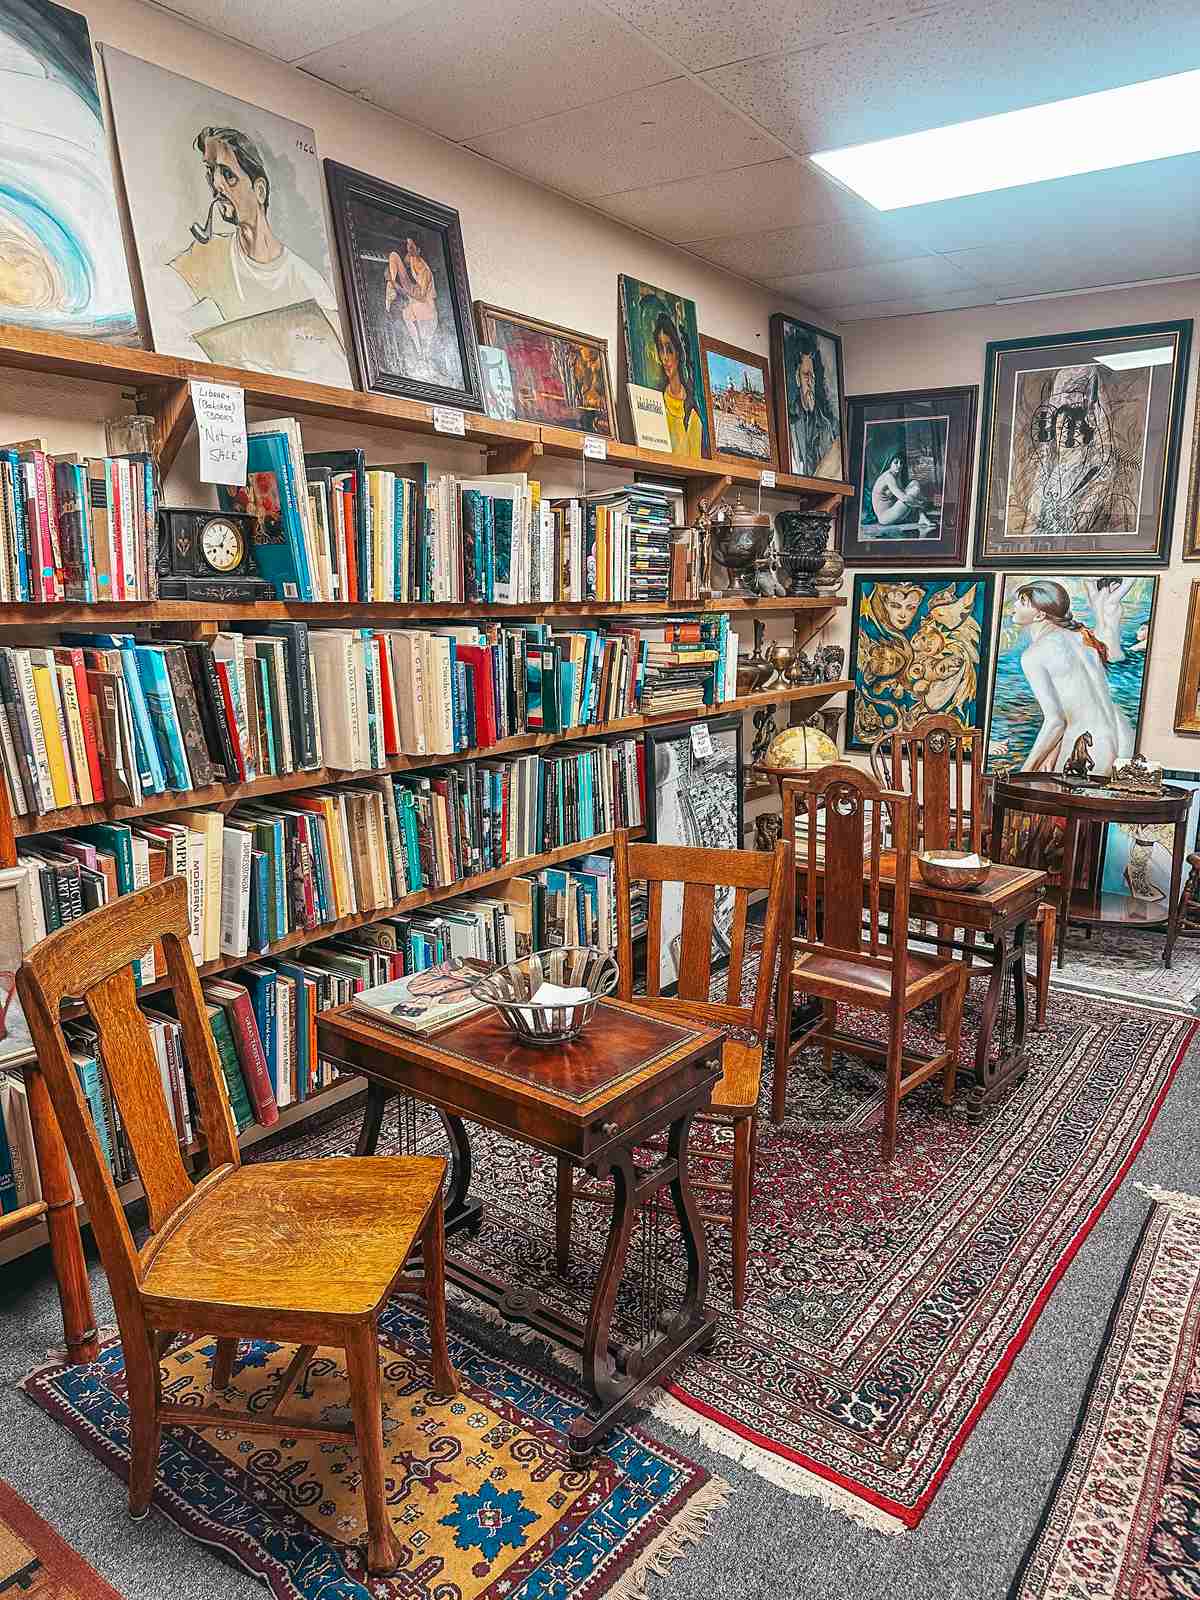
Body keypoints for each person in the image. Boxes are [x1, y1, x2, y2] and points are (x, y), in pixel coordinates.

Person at [167, 125, 344, 379]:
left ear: (259, 190)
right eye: (211, 173)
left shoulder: (307, 283)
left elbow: (333, 373)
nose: (216, 185)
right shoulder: (203, 256)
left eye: (228, 174)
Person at [1011, 580, 1133, 775]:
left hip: (1087, 749)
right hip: (1123, 739)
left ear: (1040, 615)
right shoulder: (1081, 637)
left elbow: (1056, 721)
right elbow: (1076, 701)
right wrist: (1052, 754)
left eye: (1023, 602)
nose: (1014, 606)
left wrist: (1024, 772)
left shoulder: (1034, 654)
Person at [787, 333, 841, 478]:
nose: (810, 382)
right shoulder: (789, 422)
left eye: (813, 377)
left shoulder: (826, 424)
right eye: (806, 375)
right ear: (797, 379)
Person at [385, 235, 439, 376]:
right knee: (393, 256)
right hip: (417, 301)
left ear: (419, 249)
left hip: (426, 308)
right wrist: (393, 280)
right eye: (408, 246)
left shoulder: (425, 271)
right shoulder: (413, 261)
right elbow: (400, 265)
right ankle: (420, 356)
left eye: (412, 247)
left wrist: (403, 287)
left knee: (408, 313)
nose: (408, 250)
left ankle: (422, 356)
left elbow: (421, 296)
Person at [653, 313, 702, 455]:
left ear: (679, 353)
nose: (665, 358)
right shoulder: (657, 400)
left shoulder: (692, 414)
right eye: (661, 349)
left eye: (669, 349)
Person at [870, 449, 935, 532]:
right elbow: (904, 498)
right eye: (896, 462)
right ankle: (922, 516)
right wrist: (919, 504)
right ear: (890, 463)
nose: (899, 466)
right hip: (885, 517)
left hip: (893, 510)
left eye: (901, 463)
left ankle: (922, 517)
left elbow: (902, 493)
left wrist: (920, 500)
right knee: (914, 491)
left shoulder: (896, 474)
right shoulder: (889, 477)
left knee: (915, 483)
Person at [1084, 576, 1137, 664]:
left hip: (1098, 653)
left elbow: (1088, 580)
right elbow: (1131, 579)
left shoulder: (1094, 599)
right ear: (1113, 584)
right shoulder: (1111, 601)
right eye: (1118, 586)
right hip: (1114, 656)